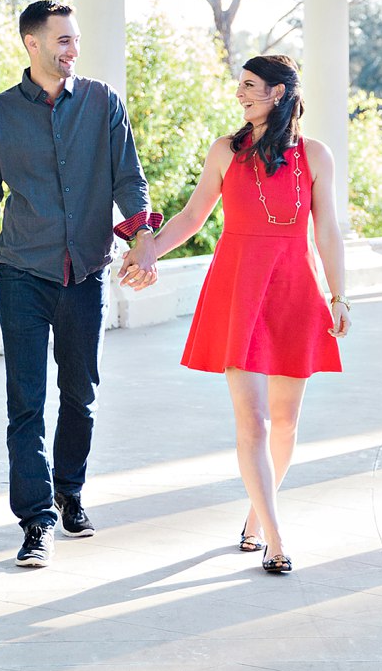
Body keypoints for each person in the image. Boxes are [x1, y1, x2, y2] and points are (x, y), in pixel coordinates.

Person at [0, 0, 161, 569]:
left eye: (75, 40)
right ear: (33, 44)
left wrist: (143, 237)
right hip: (22, 273)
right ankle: (36, 519)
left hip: (86, 272)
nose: (72, 50)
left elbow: (129, 178)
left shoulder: (102, 104)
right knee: (25, 402)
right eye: (63, 41)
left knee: (81, 395)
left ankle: (70, 491)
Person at [136, 54, 348, 575]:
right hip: (239, 287)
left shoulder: (315, 156)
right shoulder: (225, 151)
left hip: (296, 288)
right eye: (240, 85)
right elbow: (191, 216)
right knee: (252, 420)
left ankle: (257, 515)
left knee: (286, 422)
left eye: (251, 86)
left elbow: (327, 231)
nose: (240, 93)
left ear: (279, 93)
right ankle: (276, 540)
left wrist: (340, 296)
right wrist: (148, 252)